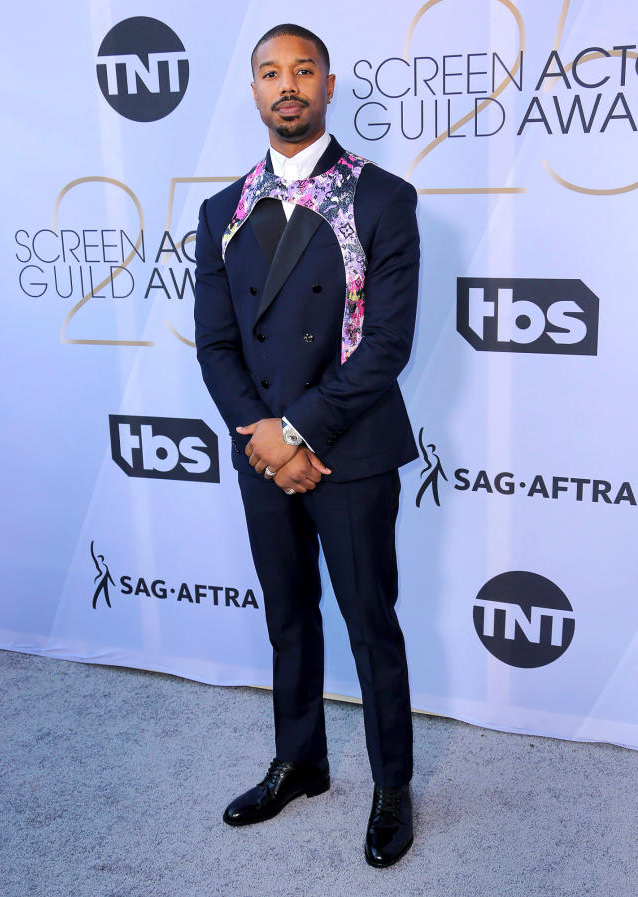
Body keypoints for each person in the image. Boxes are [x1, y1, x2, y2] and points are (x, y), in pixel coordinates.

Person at [194, 23, 420, 867]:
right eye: (269, 73)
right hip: (263, 454)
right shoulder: (223, 211)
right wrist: (262, 436)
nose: (286, 85)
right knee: (288, 617)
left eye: (302, 70)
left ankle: (392, 783)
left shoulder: (381, 197)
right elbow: (216, 345)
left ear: (328, 84)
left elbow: (385, 345)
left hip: (347, 450)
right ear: (253, 92)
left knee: (370, 623)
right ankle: (302, 761)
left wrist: (297, 431)